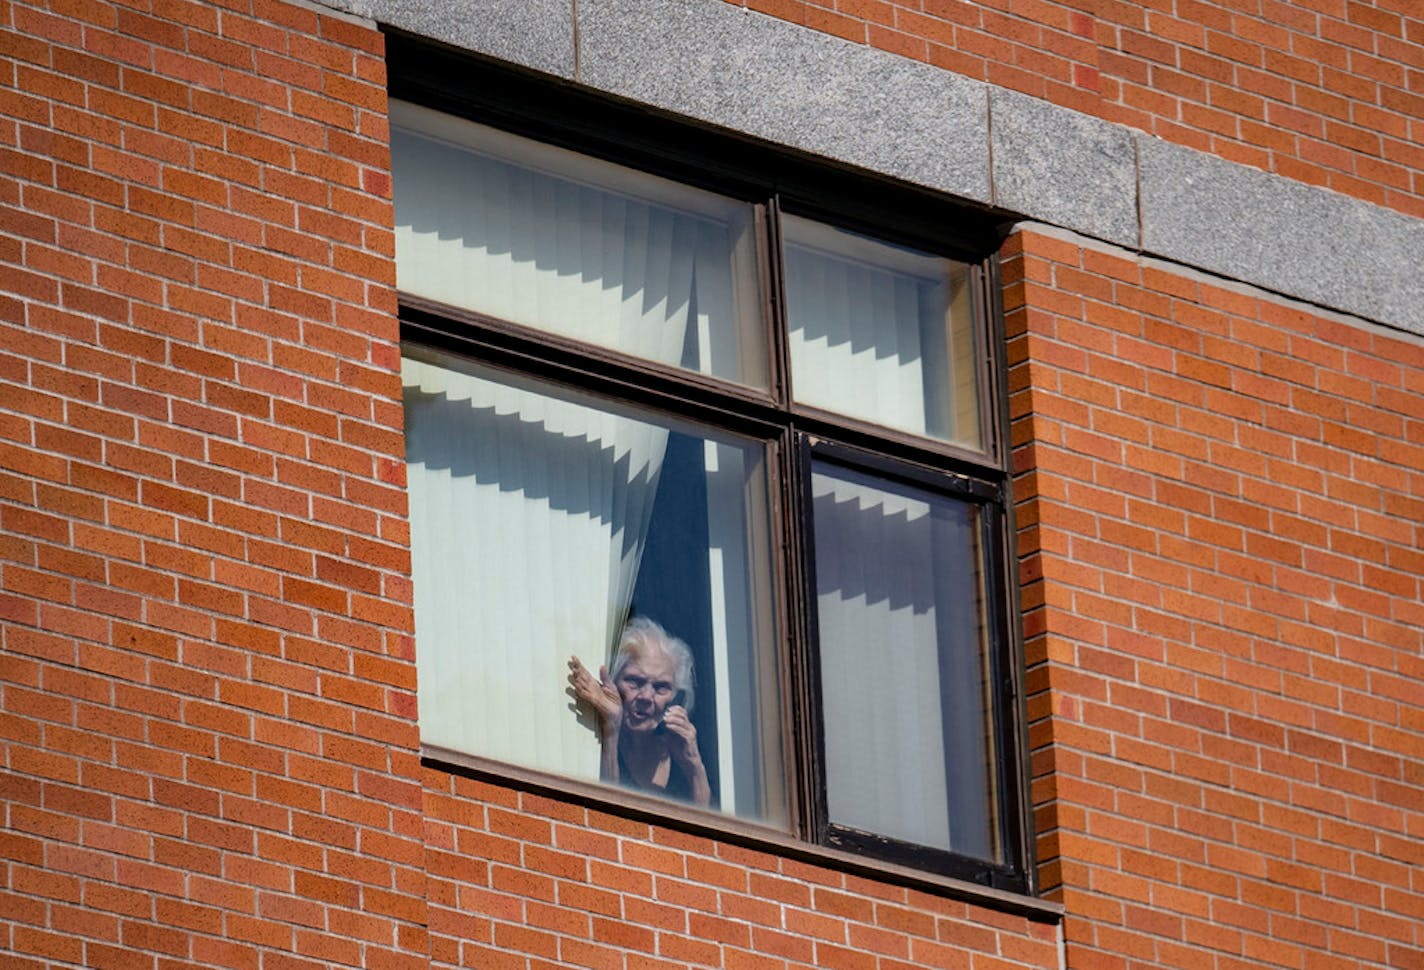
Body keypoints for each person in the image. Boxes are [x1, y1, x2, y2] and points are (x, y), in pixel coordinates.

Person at [567, 617, 711, 807]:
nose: (646, 696)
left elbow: (706, 832)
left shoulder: (683, 751)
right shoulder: (591, 740)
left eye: (661, 687)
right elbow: (606, 817)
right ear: (614, 680)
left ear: (675, 698)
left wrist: (694, 766)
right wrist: (612, 728)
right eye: (635, 681)